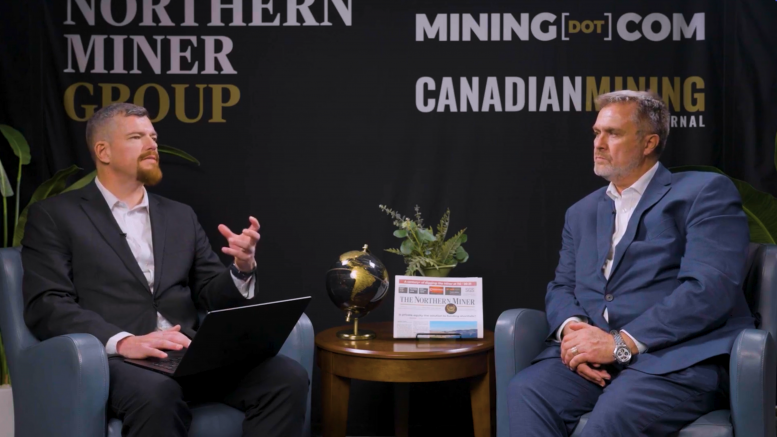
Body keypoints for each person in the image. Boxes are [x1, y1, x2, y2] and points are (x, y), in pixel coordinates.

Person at [22, 103, 308, 437]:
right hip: (120, 361)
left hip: (189, 354)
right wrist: (124, 341)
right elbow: (48, 303)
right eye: (136, 137)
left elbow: (211, 293)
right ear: (103, 151)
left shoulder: (180, 215)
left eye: (154, 137)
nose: (152, 145)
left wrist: (241, 270)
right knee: (160, 395)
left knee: (286, 378)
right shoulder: (55, 215)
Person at [507, 90, 754, 436]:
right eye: (597, 132)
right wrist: (576, 337)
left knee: (613, 418)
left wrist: (620, 343)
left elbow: (709, 289)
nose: (598, 143)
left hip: (673, 361)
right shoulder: (580, 212)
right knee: (526, 392)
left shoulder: (704, 192)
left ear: (649, 142)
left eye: (613, 133)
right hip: (596, 360)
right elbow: (562, 286)